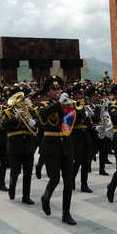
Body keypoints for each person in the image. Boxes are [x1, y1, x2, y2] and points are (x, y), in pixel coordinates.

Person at [38, 75, 78, 225]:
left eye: (59, 88)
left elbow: (79, 115)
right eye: (54, 89)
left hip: (66, 146)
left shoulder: (67, 104)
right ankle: (45, 197)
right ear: (48, 92)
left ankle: (66, 213)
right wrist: (59, 103)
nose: (57, 91)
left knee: (69, 181)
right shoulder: (43, 105)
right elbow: (43, 115)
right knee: (54, 179)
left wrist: (72, 106)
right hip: (51, 147)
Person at [1, 91, 37, 204]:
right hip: (14, 146)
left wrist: (34, 122)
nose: (20, 102)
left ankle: (26, 196)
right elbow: (5, 126)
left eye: (21, 100)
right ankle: (12, 188)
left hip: (28, 146)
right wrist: (15, 117)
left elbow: (40, 124)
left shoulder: (29, 111)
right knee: (15, 171)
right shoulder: (6, 112)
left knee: (28, 172)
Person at [70, 83, 93, 193]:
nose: (81, 95)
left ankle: (84, 184)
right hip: (76, 135)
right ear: (74, 95)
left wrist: (90, 115)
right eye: (79, 93)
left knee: (86, 162)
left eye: (82, 93)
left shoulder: (84, 105)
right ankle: (71, 180)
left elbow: (89, 120)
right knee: (78, 160)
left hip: (85, 135)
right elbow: (76, 116)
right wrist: (85, 114)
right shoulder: (71, 105)